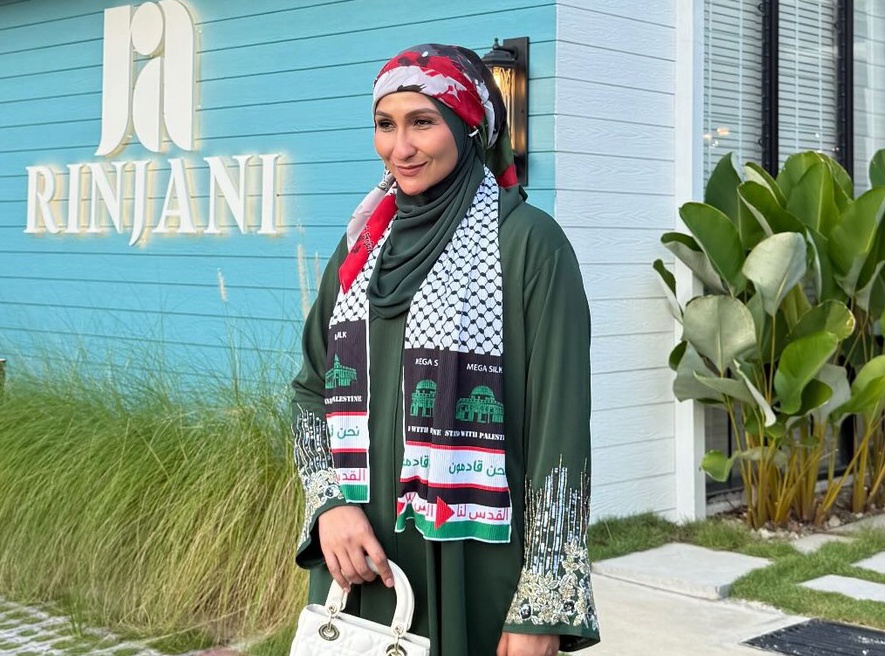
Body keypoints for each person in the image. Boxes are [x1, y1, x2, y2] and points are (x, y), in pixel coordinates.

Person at [292, 43, 598, 656]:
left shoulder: (528, 245)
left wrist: (542, 609)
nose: (400, 147)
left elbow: (559, 436)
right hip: (360, 561)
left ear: (468, 126)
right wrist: (330, 505)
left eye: (422, 122)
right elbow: (310, 390)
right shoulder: (363, 246)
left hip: (475, 564)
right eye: (385, 125)